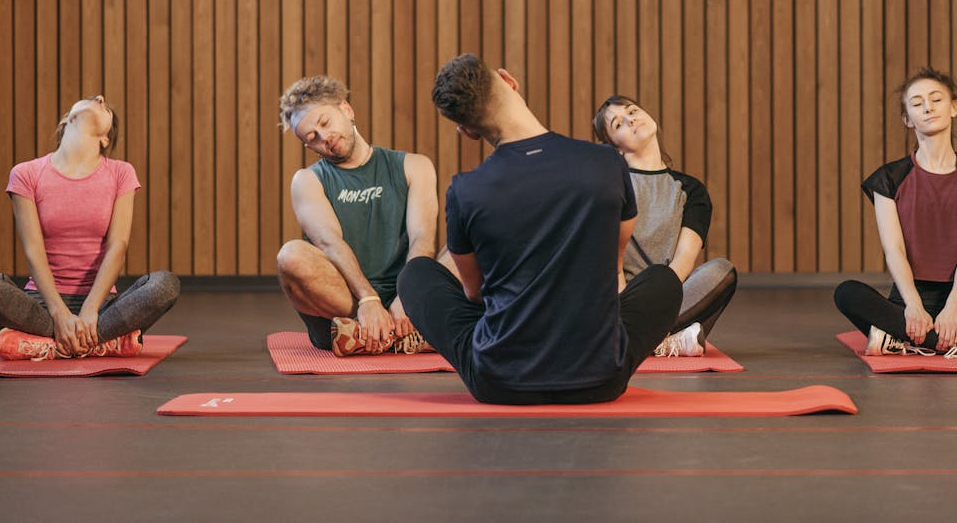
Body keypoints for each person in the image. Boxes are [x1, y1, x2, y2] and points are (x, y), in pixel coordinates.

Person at [397, 53, 683, 404]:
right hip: (600, 377)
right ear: (508, 80)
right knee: (664, 281)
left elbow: (476, 294)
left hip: (500, 382)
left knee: (416, 275)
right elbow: (612, 265)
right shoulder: (605, 162)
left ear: (467, 131)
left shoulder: (465, 190)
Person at [834, 68, 957, 358]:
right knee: (847, 293)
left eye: (936, 99)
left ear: (953, 107)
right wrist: (913, 306)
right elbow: (894, 250)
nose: (927, 107)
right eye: (916, 103)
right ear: (907, 119)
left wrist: (954, 308)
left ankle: (901, 342)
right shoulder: (888, 178)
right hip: (906, 301)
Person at [0, 95, 180, 360]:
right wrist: (58, 313)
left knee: (164, 285)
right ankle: (99, 342)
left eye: (105, 106)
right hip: (42, 304)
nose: (100, 98)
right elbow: (33, 250)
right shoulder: (26, 173)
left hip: (102, 307)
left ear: (105, 139)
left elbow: (118, 246)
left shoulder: (121, 173)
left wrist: (90, 310)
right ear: (66, 120)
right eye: (93, 100)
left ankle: (50, 343)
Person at [276, 75, 443, 356]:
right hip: (346, 300)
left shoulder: (416, 166)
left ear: (346, 109)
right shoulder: (307, 180)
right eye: (312, 137)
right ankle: (401, 331)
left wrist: (409, 295)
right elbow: (329, 242)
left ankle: (363, 336)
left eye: (325, 123)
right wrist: (368, 299)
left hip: (406, 290)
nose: (324, 138)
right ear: (308, 147)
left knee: (470, 244)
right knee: (291, 256)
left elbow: (422, 238)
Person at [592, 95, 737, 356]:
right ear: (617, 148)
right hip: (617, 296)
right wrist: (626, 302)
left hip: (667, 295)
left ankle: (642, 338)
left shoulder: (691, 189)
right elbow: (607, 258)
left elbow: (684, 258)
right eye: (618, 124)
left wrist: (660, 301)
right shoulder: (608, 184)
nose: (631, 119)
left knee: (721, 271)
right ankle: (663, 340)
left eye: (633, 110)